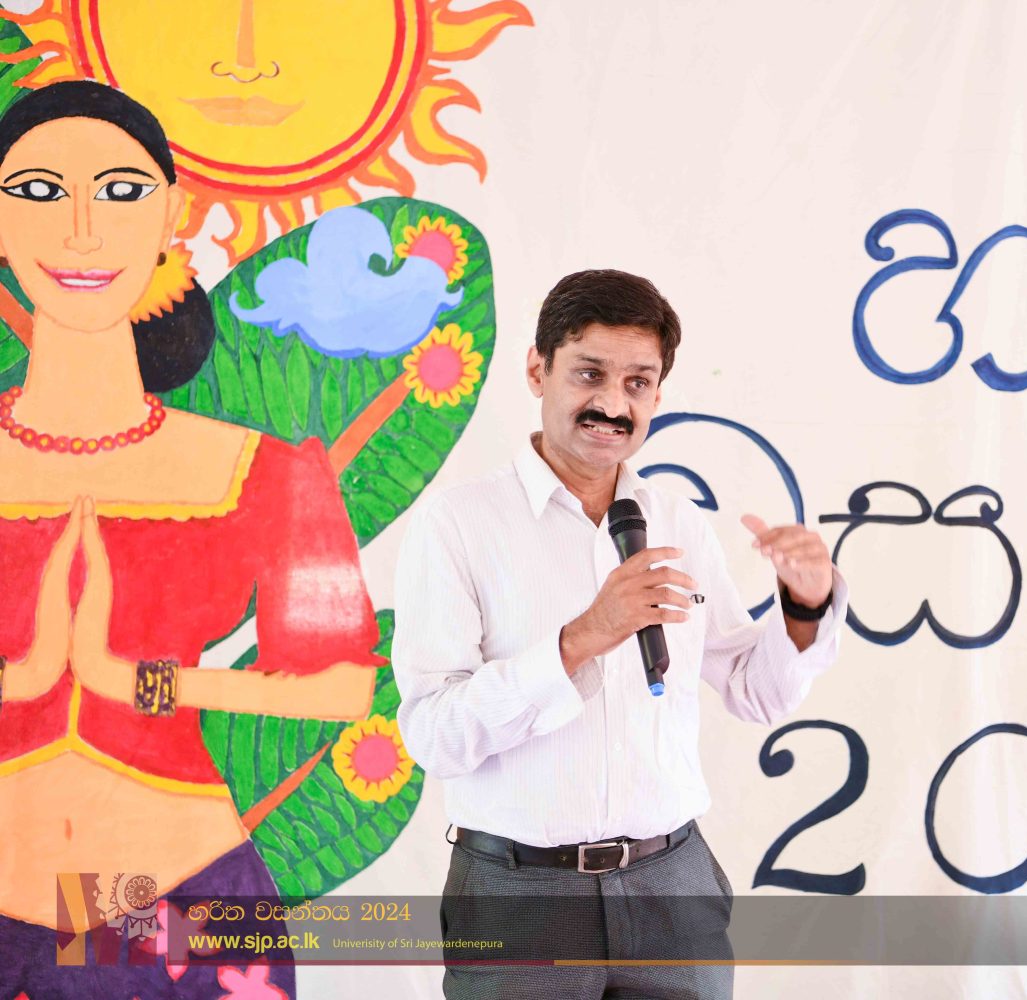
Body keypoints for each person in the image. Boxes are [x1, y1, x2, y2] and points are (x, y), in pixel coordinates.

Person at [0, 80, 384, 998]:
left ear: (171, 213)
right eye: (39, 191)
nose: (82, 231)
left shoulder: (271, 473)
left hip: (183, 907)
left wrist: (139, 682)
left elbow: (343, 685)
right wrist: (25, 675)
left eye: (121, 192)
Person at [392, 268, 849, 1000]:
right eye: (589, 373)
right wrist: (580, 639)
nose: (613, 403)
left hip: (672, 886)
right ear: (537, 370)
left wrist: (805, 602)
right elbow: (434, 736)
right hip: (518, 894)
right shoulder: (458, 524)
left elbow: (755, 693)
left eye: (638, 382)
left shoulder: (678, 522)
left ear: (658, 395)